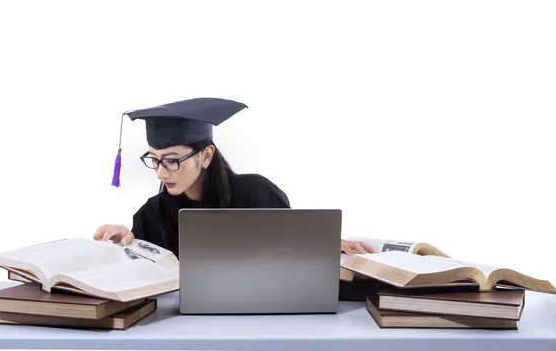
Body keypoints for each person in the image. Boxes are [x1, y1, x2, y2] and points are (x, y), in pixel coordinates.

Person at [93, 97, 375, 258]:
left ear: (205, 155)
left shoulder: (255, 193)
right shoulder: (152, 213)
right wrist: (127, 244)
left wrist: (317, 244)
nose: (160, 172)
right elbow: (141, 273)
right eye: (153, 159)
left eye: (172, 160)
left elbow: (293, 251)